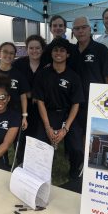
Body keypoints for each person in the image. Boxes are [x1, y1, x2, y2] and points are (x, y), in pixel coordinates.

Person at [33, 38, 84, 179]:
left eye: (62, 50)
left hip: (68, 115)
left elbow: (76, 104)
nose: (58, 53)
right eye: (55, 50)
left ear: (68, 54)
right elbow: (40, 102)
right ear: (51, 53)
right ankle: (40, 174)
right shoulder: (42, 74)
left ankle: (74, 172)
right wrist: (48, 127)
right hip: (48, 114)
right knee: (39, 144)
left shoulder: (74, 76)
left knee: (77, 148)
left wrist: (65, 128)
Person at [71, 16, 108, 133]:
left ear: (90, 29)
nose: (81, 31)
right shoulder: (70, 51)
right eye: (77, 28)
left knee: (92, 135)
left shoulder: (101, 50)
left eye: (84, 27)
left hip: (95, 102)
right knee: (74, 140)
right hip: (74, 103)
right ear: (73, 32)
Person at [12, 34, 46, 164]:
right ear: (27, 49)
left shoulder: (47, 64)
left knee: (38, 137)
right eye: (31, 48)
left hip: (42, 106)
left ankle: (37, 164)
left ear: (42, 49)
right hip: (22, 106)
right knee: (21, 135)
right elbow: (14, 83)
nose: (34, 51)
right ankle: (20, 162)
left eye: (37, 48)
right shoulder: (18, 64)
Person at [0, 42, 30, 130]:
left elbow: (23, 97)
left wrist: (24, 116)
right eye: (5, 52)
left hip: (15, 113)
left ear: (14, 56)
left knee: (16, 140)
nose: (8, 55)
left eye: (11, 53)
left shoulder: (19, 74)